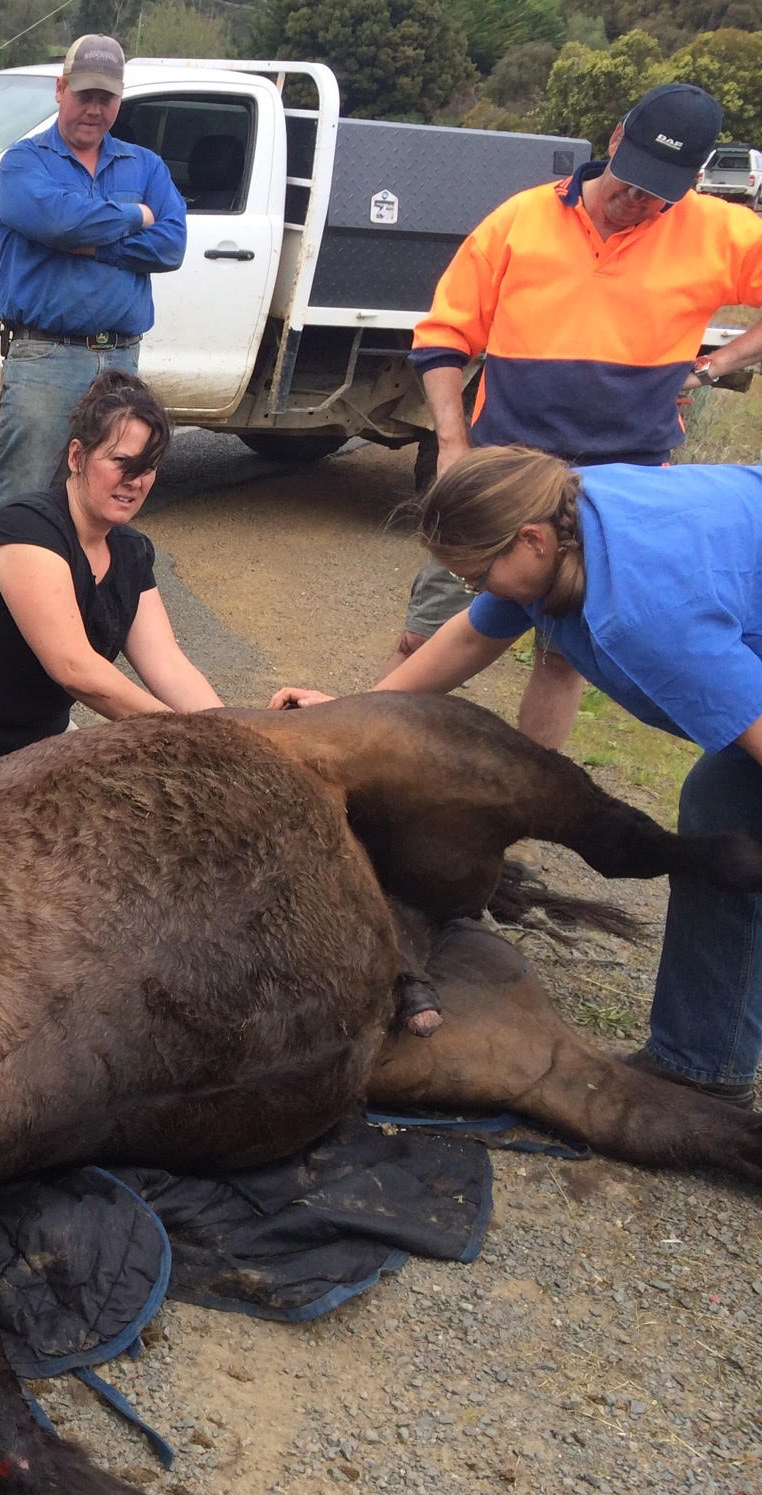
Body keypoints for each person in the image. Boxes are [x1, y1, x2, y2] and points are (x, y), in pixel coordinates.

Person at [275, 446, 762, 1108]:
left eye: (478, 575)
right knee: (721, 805)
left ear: (530, 542)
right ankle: (703, 1059)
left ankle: (701, 1059)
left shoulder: (641, 617)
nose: (480, 590)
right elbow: (471, 638)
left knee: (727, 797)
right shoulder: (560, 518)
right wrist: (350, 725)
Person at [386, 82, 762, 749]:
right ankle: (372, 765)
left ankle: (534, 805)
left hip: (624, 489)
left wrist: (716, 365)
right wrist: (452, 444)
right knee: (426, 633)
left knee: (563, 659)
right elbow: (443, 337)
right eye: (632, 181)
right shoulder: (520, 221)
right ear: (616, 140)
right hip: (503, 477)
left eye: (660, 192)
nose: (638, 202)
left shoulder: (719, 231)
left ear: (695, 179)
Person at [0, 370, 221, 801]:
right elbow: (75, 669)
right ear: (76, 457)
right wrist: (192, 738)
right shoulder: (26, 528)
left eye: (148, 468)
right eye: (121, 463)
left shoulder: (131, 551)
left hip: (34, 746)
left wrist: (236, 731)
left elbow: (168, 665)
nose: (135, 481)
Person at [0, 33, 187, 533]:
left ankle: (65, 605)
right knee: (18, 497)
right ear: (60, 89)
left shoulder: (145, 165)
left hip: (121, 362)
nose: (95, 109)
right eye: (84, 95)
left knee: (98, 502)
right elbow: (53, 220)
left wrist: (89, 240)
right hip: (46, 358)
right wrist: (135, 215)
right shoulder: (24, 162)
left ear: (119, 99)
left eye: (106, 98)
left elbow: (171, 245)